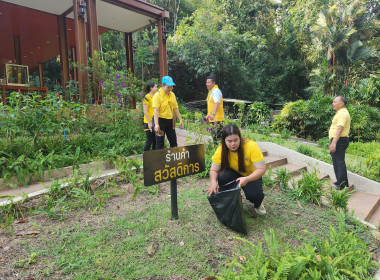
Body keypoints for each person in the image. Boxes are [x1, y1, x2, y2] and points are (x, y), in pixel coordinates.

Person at [206, 124, 267, 215]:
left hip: (251, 175)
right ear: (224, 141)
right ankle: (232, 201)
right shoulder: (221, 150)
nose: (233, 144)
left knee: (253, 195)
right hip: (234, 173)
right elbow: (214, 170)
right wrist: (213, 181)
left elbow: (261, 169)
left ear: (240, 138)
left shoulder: (251, 146)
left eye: (235, 140)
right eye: (229, 141)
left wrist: (246, 179)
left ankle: (258, 204)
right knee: (222, 176)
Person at [153, 76, 184, 149]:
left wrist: (180, 119)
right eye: (168, 87)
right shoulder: (157, 96)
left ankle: (173, 158)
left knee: (173, 142)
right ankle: (160, 159)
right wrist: (156, 124)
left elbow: (175, 108)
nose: (170, 89)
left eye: (171, 87)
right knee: (160, 143)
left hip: (170, 120)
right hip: (160, 121)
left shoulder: (172, 95)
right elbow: (156, 110)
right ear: (162, 85)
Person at [329, 96, 351, 190]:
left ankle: (341, 185)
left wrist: (334, 143)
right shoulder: (341, 112)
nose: (333, 103)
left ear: (341, 104)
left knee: (339, 162)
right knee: (337, 161)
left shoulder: (342, 113)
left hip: (339, 140)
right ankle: (341, 182)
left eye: (334, 102)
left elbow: (340, 128)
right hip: (339, 140)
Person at [206, 76, 224, 144]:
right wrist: (208, 115)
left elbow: (217, 103)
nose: (207, 84)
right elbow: (211, 105)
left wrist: (213, 114)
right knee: (215, 138)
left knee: (217, 139)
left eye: (209, 82)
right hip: (212, 119)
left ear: (213, 83)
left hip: (217, 119)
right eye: (206, 82)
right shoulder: (211, 92)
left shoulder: (216, 91)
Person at [142, 81, 158, 151]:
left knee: (155, 141)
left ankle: (153, 157)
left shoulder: (156, 96)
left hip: (155, 122)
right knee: (149, 141)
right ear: (151, 88)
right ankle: (145, 157)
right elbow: (145, 111)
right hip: (148, 122)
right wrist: (149, 123)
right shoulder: (147, 97)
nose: (157, 88)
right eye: (155, 87)